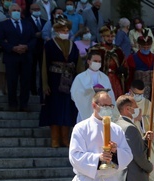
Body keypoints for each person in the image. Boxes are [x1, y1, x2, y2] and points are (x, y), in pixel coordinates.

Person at [39, 18, 79, 148]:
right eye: (62, 30)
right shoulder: (50, 45)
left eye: (67, 30)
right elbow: (44, 65)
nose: (65, 32)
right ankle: (55, 139)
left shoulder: (73, 45)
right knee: (54, 109)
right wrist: (45, 84)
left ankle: (65, 138)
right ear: (56, 31)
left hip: (69, 82)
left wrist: (80, 82)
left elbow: (79, 65)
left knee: (67, 109)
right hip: (54, 80)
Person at [0, 3, 36, 111]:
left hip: (26, 57)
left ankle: (24, 104)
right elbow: (0, 40)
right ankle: (12, 104)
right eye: (14, 10)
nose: (16, 12)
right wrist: (12, 48)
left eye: (18, 11)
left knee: (25, 82)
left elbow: (34, 39)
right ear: (9, 13)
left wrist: (26, 46)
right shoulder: (3, 25)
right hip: (11, 57)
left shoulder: (27, 24)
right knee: (12, 81)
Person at [71, 50, 117, 122]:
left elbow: (111, 95)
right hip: (85, 111)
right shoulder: (80, 77)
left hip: (102, 112)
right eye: (95, 61)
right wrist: (91, 90)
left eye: (99, 61)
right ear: (89, 61)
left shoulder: (105, 77)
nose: (97, 63)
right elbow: (75, 94)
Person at [89, 25, 127, 98]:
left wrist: (123, 70)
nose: (110, 38)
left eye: (112, 36)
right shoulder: (95, 50)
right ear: (103, 36)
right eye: (107, 36)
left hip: (115, 80)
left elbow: (124, 64)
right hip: (100, 80)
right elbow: (89, 67)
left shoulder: (118, 50)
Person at [26, 3, 47, 97]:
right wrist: (35, 35)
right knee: (32, 70)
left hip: (43, 48)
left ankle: (42, 88)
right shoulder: (26, 21)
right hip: (31, 49)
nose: (36, 11)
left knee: (43, 69)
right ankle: (33, 89)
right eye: (34, 9)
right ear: (30, 10)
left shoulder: (44, 21)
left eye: (38, 9)